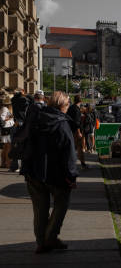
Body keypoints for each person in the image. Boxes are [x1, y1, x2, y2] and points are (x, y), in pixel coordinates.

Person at [21, 91, 78, 254]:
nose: (68, 108)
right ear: (62, 106)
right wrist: (71, 175)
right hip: (57, 174)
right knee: (61, 204)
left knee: (39, 209)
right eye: (67, 105)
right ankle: (50, 237)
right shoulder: (62, 123)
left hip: (34, 171)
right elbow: (68, 153)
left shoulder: (36, 118)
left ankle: (41, 242)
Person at [67, 95, 86, 169]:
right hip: (76, 131)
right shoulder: (77, 110)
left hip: (70, 130)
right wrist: (79, 132)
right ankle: (83, 164)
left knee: (71, 148)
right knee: (79, 148)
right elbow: (77, 122)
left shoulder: (71, 108)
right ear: (81, 101)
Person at [1, 100, 14, 168]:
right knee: (8, 147)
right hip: (7, 128)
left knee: (5, 147)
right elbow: (2, 119)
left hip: (7, 128)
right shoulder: (5, 109)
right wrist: (10, 118)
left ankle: (3, 163)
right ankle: (8, 163)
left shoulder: (5, 108)